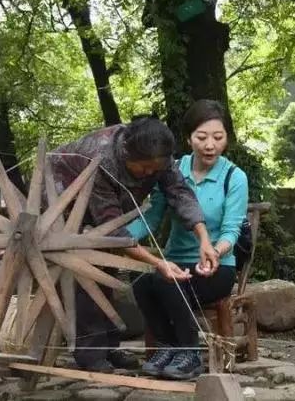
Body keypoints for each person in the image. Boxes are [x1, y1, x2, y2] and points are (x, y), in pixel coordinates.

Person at [50, 116, 219, 373]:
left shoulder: (158, 155)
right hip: (63, 196)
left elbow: (179, 193)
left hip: (105, 205)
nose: (150, 174)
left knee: (107, 266)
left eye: (155, 169)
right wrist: (157, 263)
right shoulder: (102, 160)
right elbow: (114, 231)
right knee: (85, 268)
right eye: (144, 168)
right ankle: (90, 353)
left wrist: (204, 238)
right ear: (127, 153)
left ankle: (109, 347)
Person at [126, 100, 248, 380]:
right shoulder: (172, 170)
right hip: (175, 261)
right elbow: (151, 217)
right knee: (142, 281)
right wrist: (116, 237)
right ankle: (168, 348)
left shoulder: (235, 177)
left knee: (167, 282)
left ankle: (189, 354)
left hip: (217, 267)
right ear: (188, 138)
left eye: (218, 137)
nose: (210, 145)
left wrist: (215, 252)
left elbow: (231, 231)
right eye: (201, 137)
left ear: (227, 138)